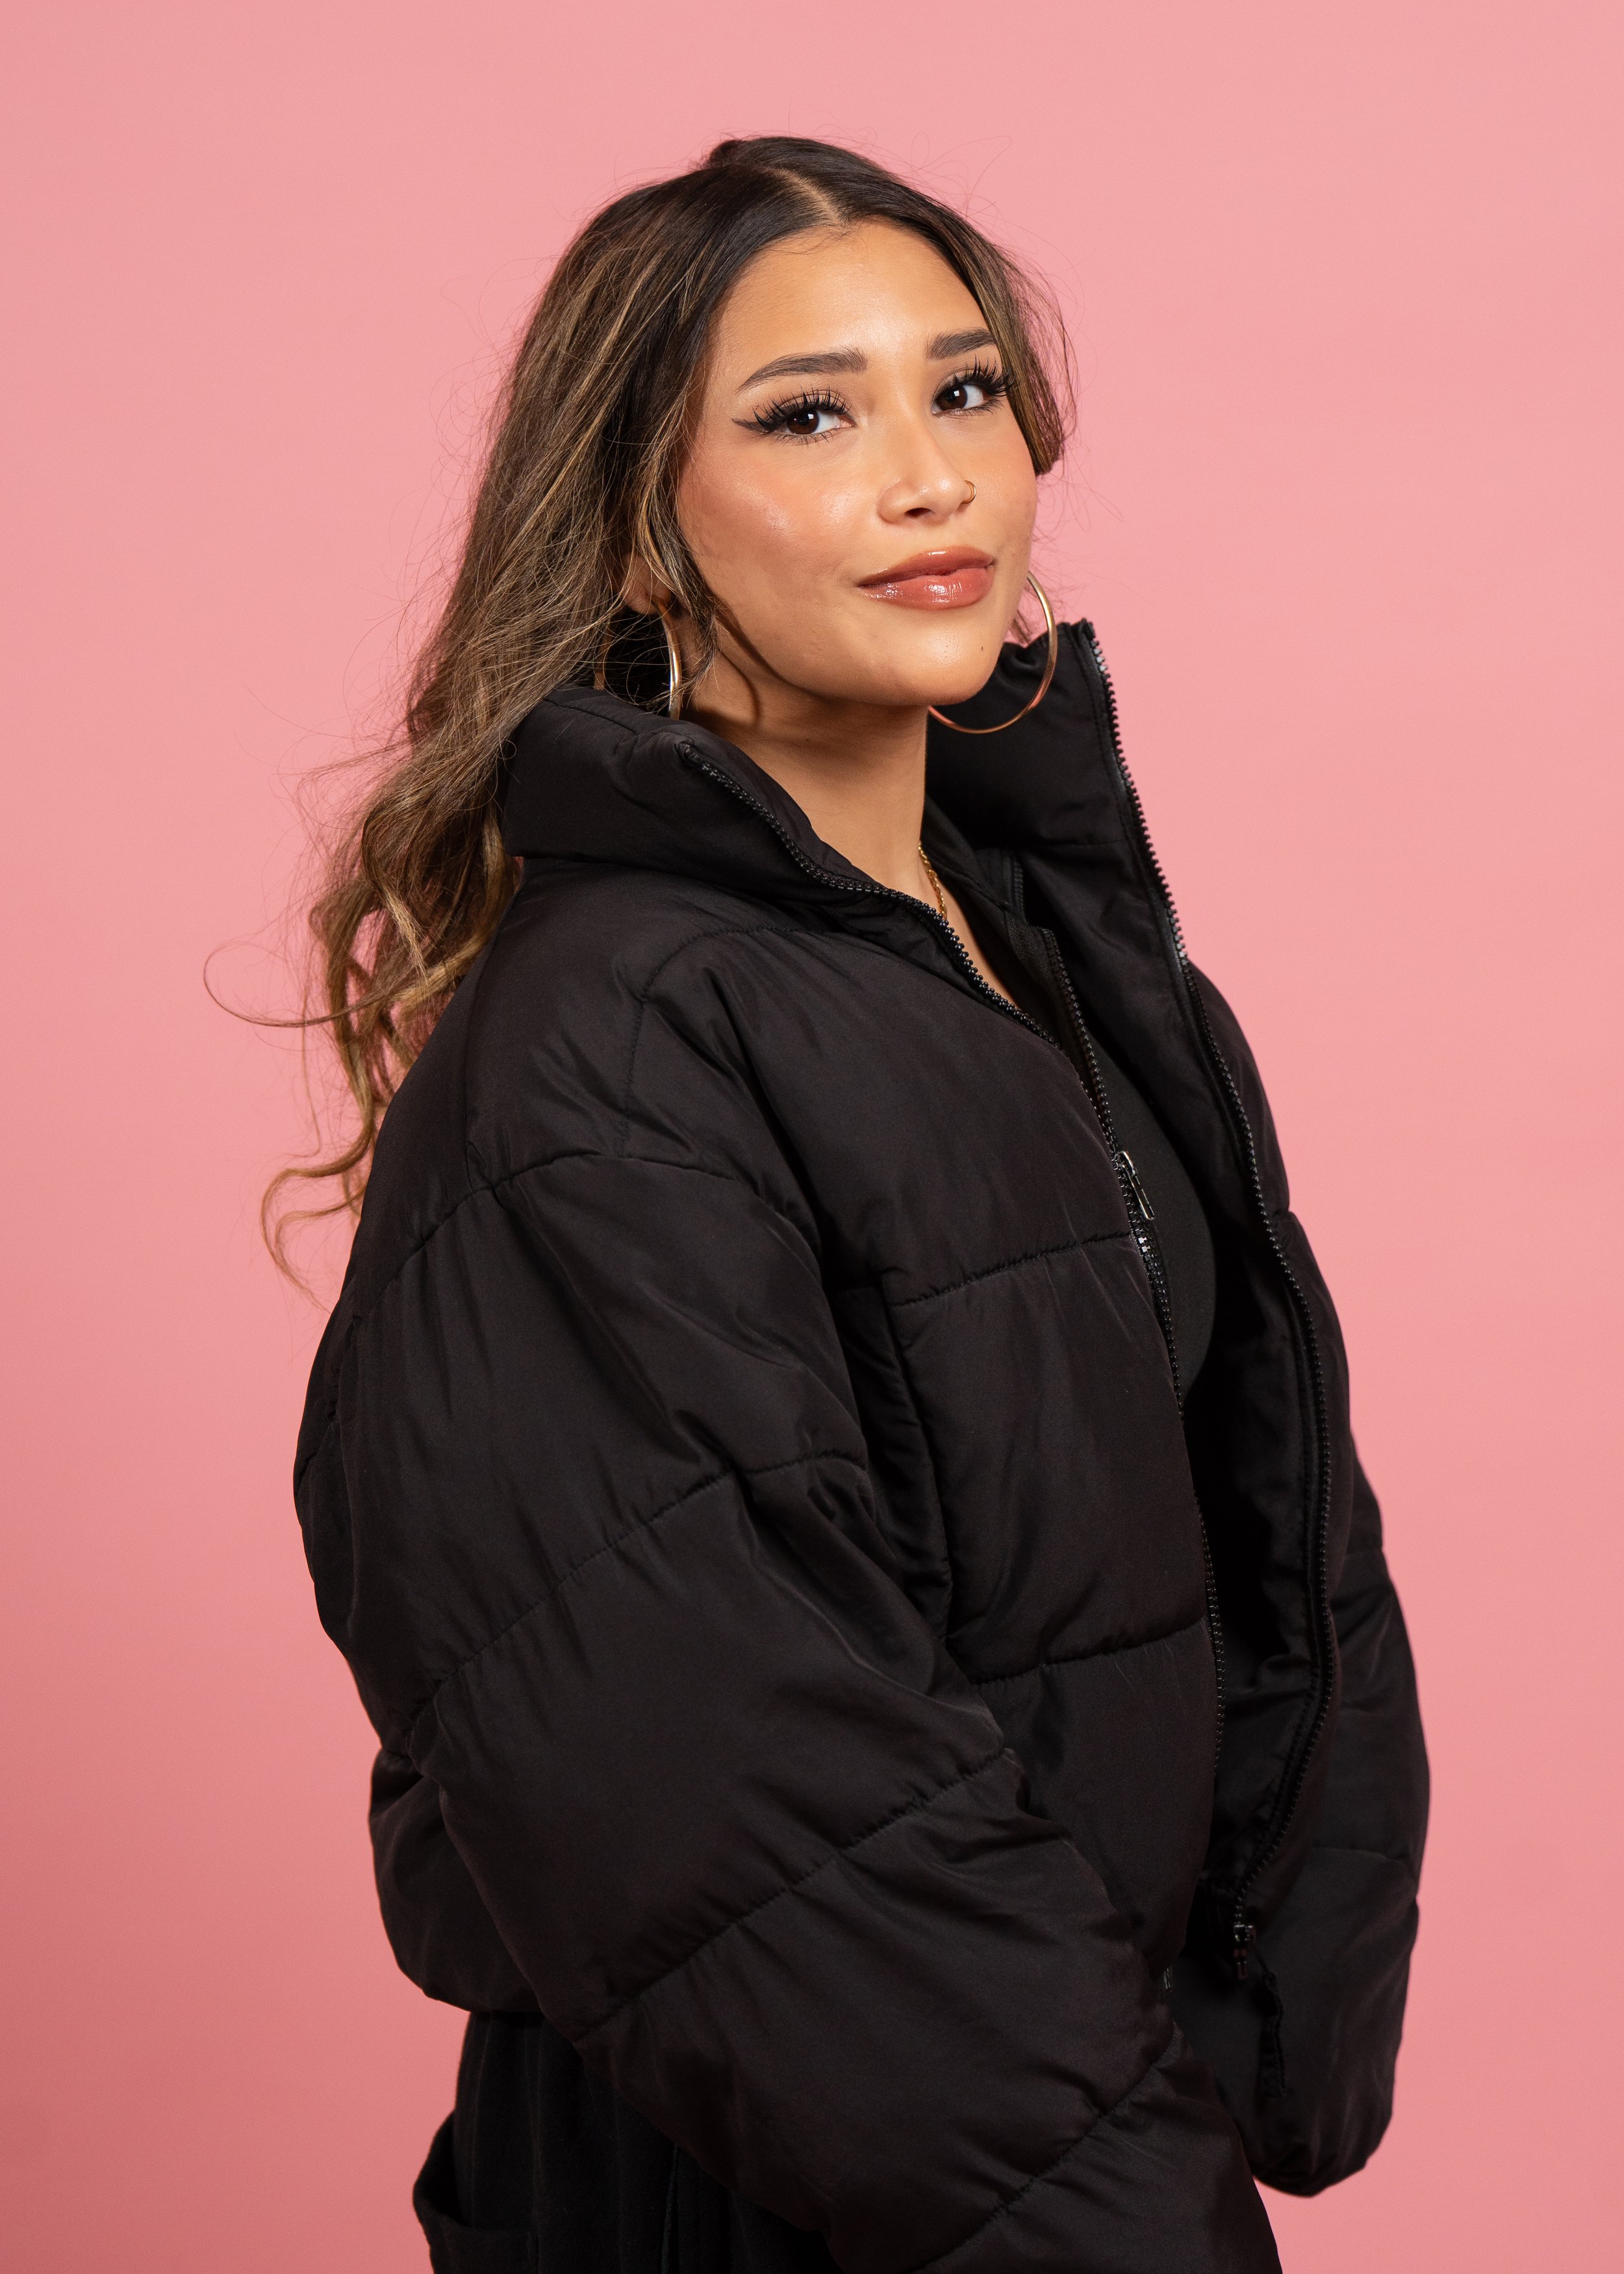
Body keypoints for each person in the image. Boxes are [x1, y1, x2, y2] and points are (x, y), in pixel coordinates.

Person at [286, 136, 1428, 2274]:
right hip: (752, 2177)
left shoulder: (1064, 964)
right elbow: (737, 1781)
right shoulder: (610, 1041)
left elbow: (1270, 1533)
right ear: (642, 525)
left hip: (1026, 2135)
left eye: (964, 391)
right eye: (809, 413)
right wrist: (1136, 2216)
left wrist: (1248, 2011)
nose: (930, 479)